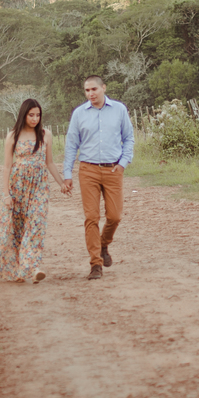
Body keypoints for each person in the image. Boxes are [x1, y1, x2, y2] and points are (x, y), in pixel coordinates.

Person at [0, 99, 70, 283]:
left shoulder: (45, 134)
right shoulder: (12, 136)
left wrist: (61, 183)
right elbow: (7, 167)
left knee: (36, 226)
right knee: (16, 229)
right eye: (31, 115)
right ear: (24, 115)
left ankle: (32, 267)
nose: (35, 118)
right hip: (17, 186)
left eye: (38, 115)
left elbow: (49, 163)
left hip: (39, 187)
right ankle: (18, 269)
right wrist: (6, 194)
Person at [63, 75, 135, 280]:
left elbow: (129, 138)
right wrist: (67, 174)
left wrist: (123, 163)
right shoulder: (79, 114)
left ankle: (104, 244)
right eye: (87, 91)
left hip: (113, 169)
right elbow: (71, 146)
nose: (90, 94)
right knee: (91, 217)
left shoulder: (119, 110)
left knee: (115, 216)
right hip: (88, 170)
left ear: (103, 88)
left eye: (94, 89)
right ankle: (95, 263)